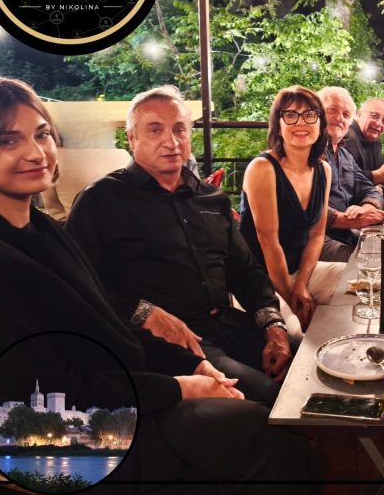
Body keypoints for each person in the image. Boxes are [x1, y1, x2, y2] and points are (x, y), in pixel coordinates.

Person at [0, 76, 321, 495]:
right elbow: (40, 396)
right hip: (64, 441)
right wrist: (180, 386)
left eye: (41, 134)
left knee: (281, 428)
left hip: (121, 391)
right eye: (6, 140)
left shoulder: (42, 231)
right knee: (265, 438)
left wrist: (193, 367)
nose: (35, 152)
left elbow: (107, 328)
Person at [66, 86, 290, 409]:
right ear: (131, 138)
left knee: (305, 364)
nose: (170, 142)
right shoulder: (99, 201)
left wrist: (274, 327)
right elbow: (81, 289)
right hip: (168, 344)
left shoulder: (211, 198)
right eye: (155, 130)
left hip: (226, 323)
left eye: (179, 130)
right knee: (276, 398)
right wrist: (144, 312)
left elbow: (246, 272)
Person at [240, 86, 345, 334]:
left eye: (310, 115)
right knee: (296, 331)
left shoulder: (323, 170)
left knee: (364, 287)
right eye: (290, 115)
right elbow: (269, 243)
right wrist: (292, 298)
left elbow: (317, 235)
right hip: (259, 277)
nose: (301, 123)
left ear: (320, 123)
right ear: (278, 124)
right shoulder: (262, 168)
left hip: (300, 271)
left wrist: (301, 285)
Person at [316, 86, 384, 263]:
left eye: (346, 114)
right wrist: (349, 220)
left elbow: (370, 189)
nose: (339, 118)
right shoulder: (308, 152)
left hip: (345, 233)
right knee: (368, 264)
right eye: (332, 110)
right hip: (316, 236)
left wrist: (368, 208)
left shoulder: (345, 154)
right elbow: (306, 208)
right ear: (316, 112)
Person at [341, 97, 384, 191]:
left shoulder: (375, 141)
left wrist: (381, 188)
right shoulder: (346, 138)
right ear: (359, 114)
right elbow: (347, 179)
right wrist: (380, 175)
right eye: (374, 116)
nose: (379, 124)